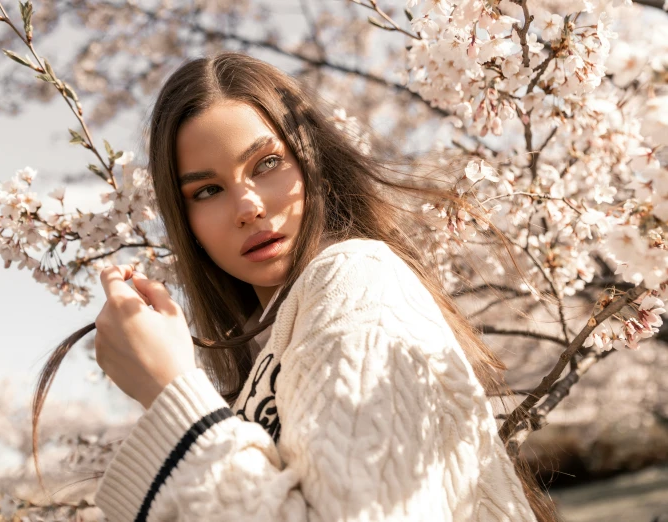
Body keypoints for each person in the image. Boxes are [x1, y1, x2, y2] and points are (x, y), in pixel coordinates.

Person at [33, 52, 557, 521]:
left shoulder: (354, 277)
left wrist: (171, 393)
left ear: (313, 165)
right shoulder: (270, 343)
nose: (247, 206)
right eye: (208, 190)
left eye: (267, 163)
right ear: (185, 222)